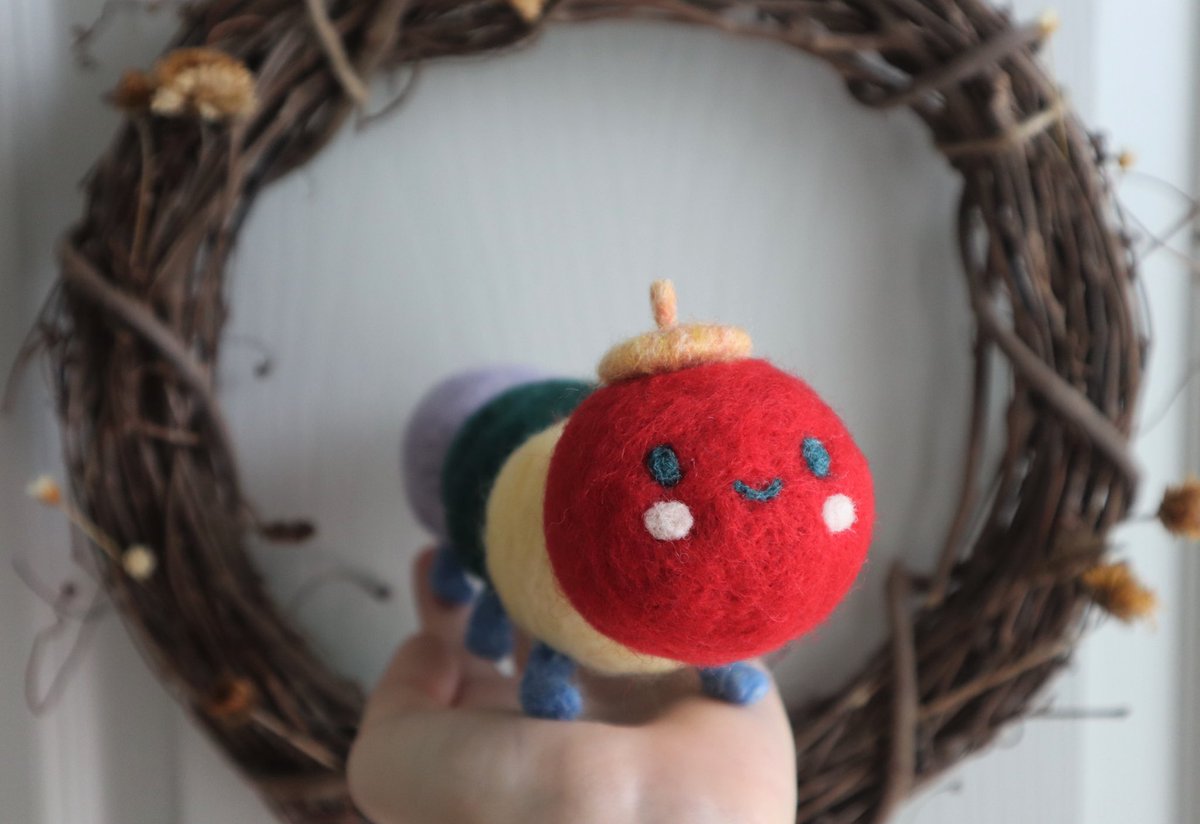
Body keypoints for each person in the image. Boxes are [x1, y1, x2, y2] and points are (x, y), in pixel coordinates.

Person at [348, 550, 798, 824]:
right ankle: (451, 652)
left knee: (710, 642)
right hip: (517, 777)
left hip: (731, 794)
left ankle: (453, 649)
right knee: (381, 753)